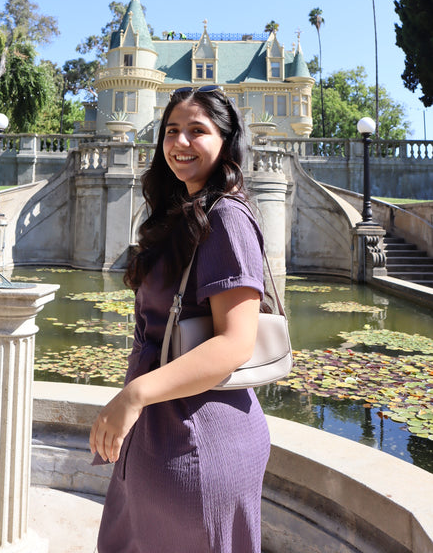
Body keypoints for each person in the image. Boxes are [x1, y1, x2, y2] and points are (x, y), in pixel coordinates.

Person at [90, 85, 271, 553]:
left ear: (225, 142)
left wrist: (134, 395)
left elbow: (235, 343)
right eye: (172, 130)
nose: (180, 142)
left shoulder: (228, 217)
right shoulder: (183, 212)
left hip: (199, 436)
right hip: (162, 426)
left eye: (197, 130)